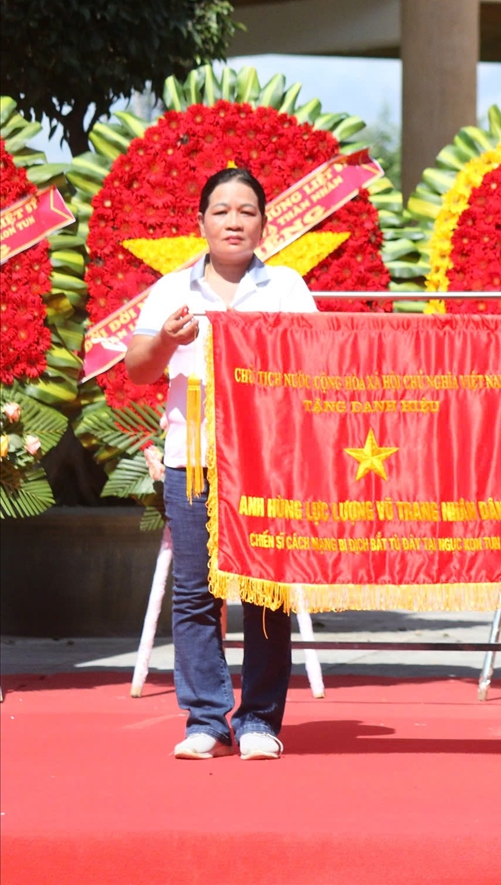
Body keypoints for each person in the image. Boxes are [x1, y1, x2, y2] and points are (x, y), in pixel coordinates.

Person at [125, 167, 318, 761]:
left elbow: (318, 367)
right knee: (194, 592)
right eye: (221, 211)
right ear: (201, 221)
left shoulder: (286, 286)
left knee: (265, 589)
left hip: (268, 463)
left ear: (264, 222)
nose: (234, 222)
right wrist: (167, 342)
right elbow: (138, 370)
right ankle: (205, 717)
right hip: (193, 461)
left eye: (247, 211)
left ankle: (260, 718)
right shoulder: (171, 290)